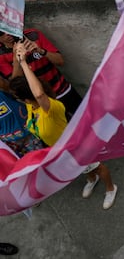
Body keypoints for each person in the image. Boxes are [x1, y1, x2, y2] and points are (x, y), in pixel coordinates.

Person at [8, 42, 118, 210]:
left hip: (76, 144)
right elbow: (18, 83)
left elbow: (38, 93)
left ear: (26, 98)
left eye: (18, 96)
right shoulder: (31, 107)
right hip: (60, 149)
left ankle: (110, 188)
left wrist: (24, 62)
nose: (15, 98)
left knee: (97, 166)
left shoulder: (50, 108)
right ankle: (91, 179)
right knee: (80, 168)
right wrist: (17, 58)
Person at [0, 29, 82, 119]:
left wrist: (41, 51)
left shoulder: (33, 35)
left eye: (7, 29)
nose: (7, 34)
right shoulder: (1, 54)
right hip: (43, 102)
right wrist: (17, 59)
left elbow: (60, 61)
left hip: (63, 90)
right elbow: (15, 84)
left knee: (87, 120)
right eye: (1, 33)